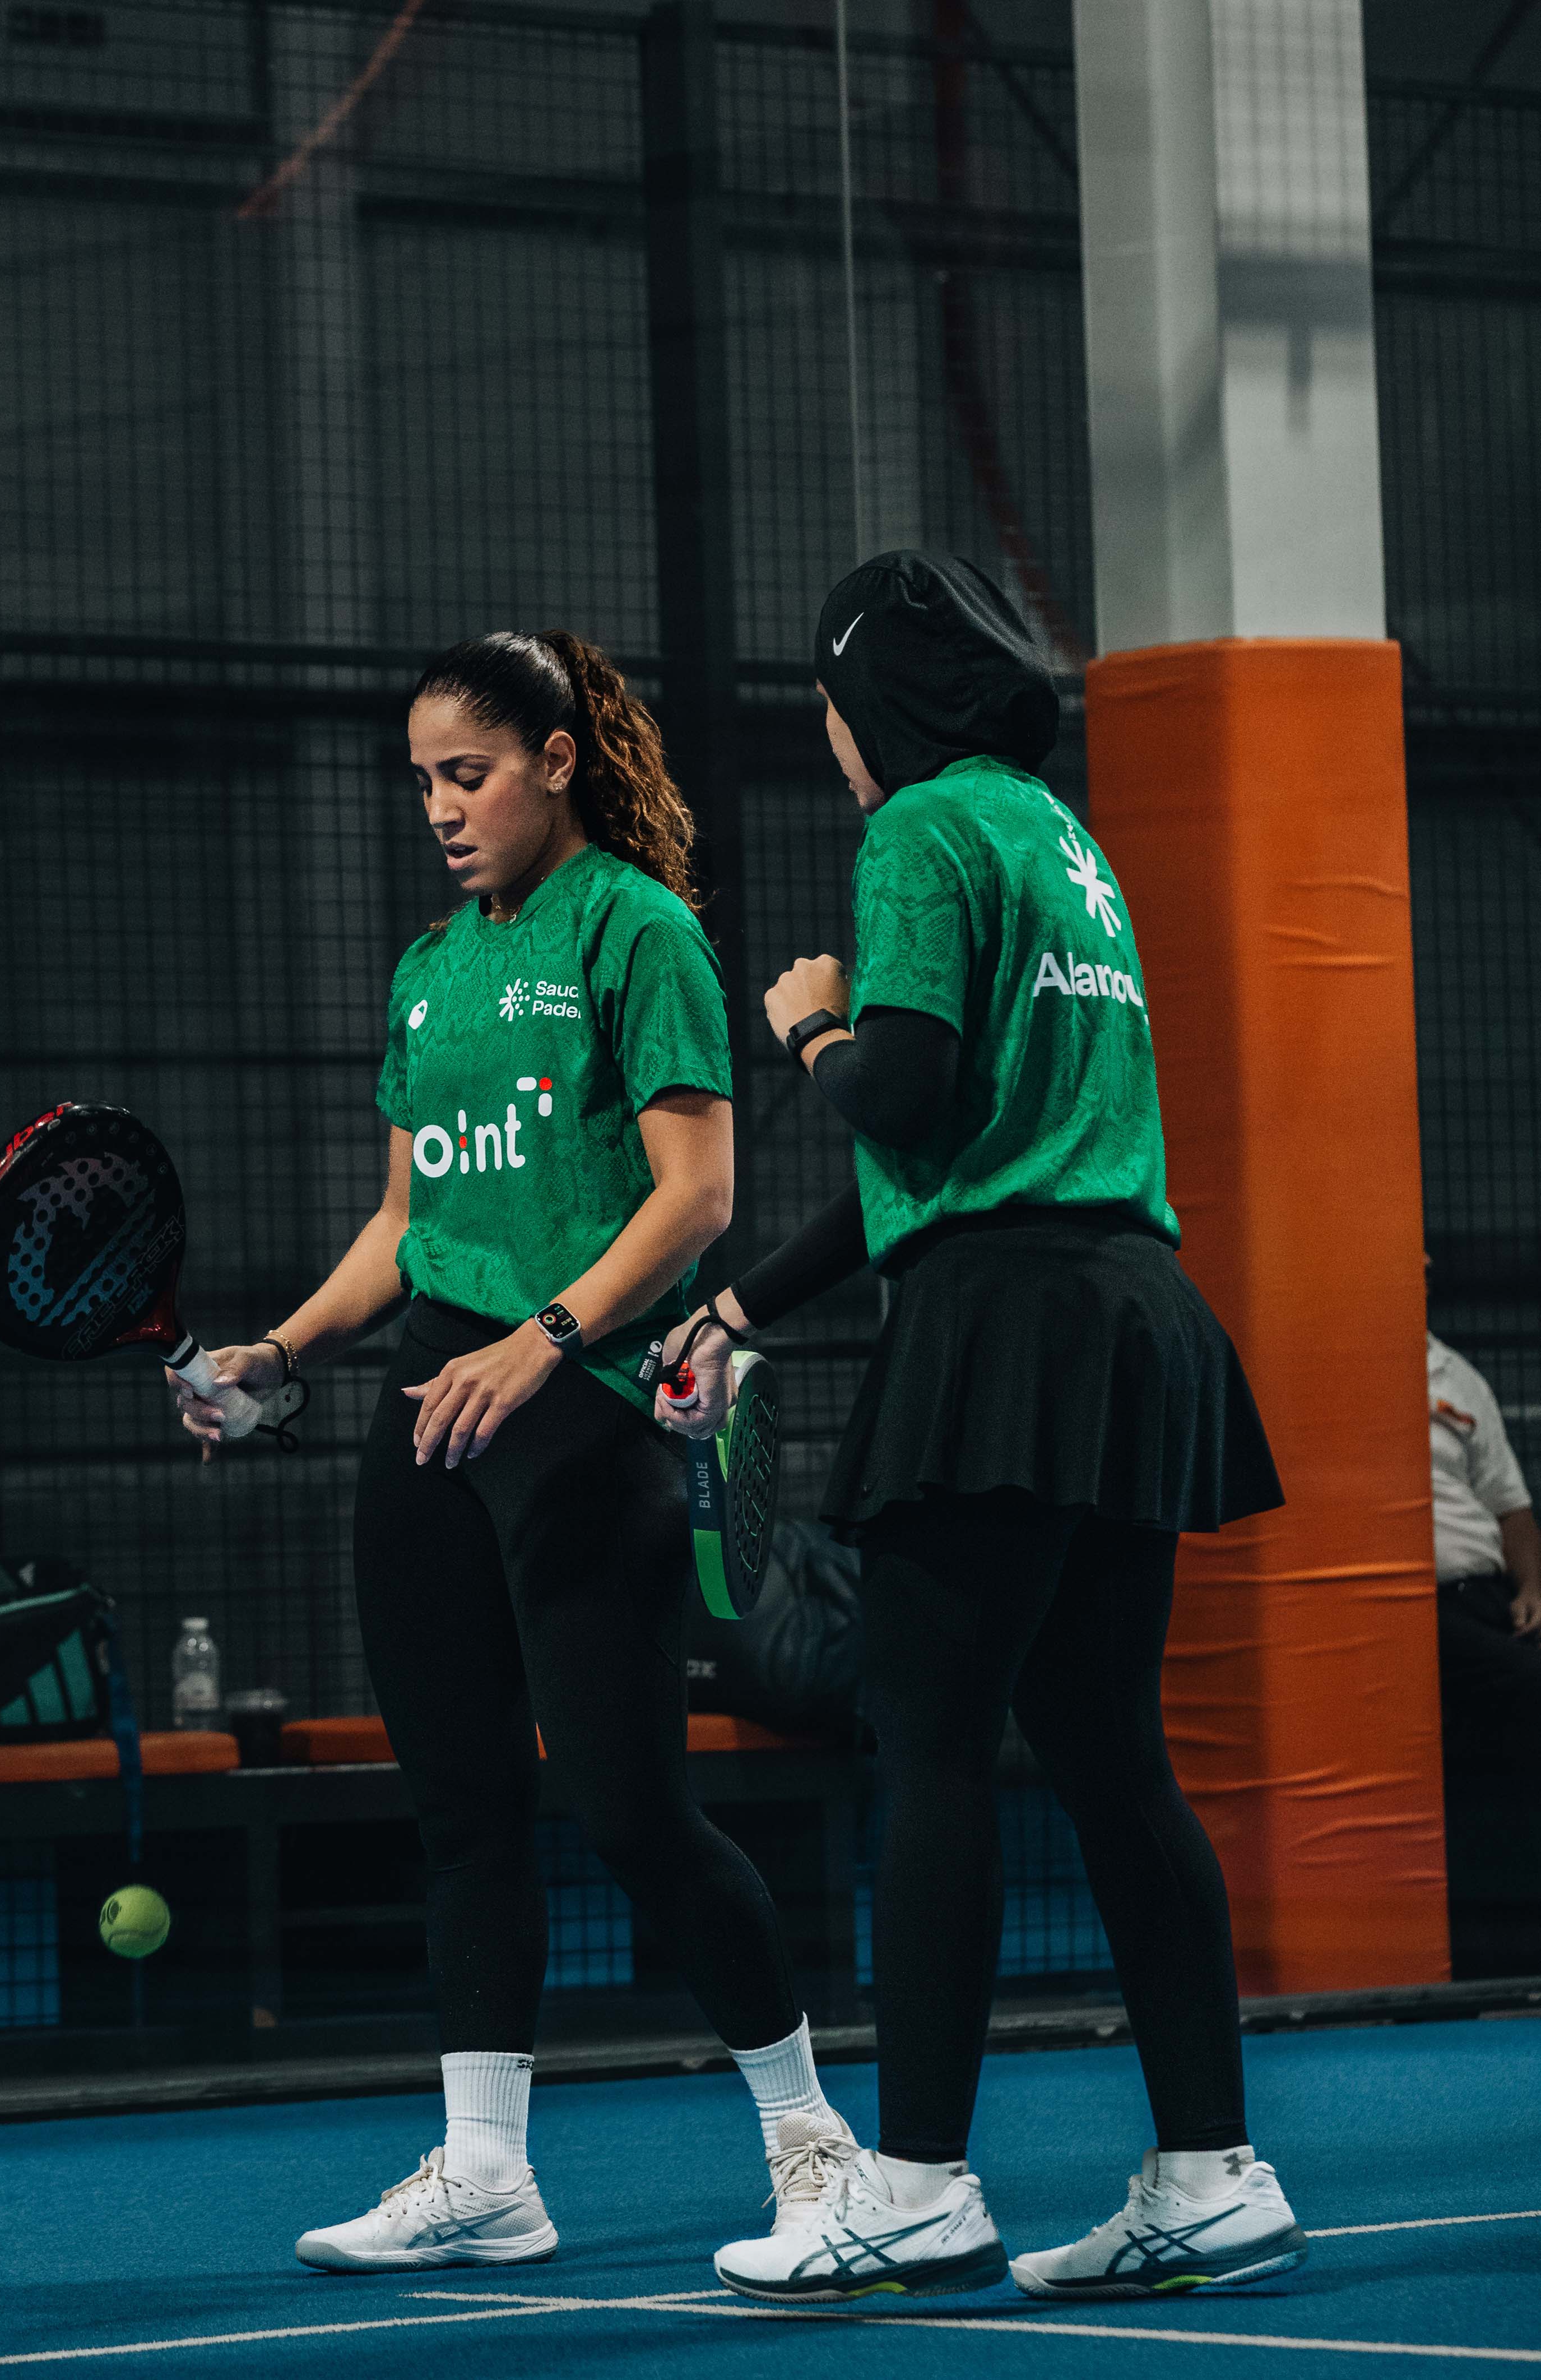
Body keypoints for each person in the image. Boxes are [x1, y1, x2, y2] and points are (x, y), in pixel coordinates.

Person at [657, 552, 1305, 2305]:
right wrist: (740, 1303)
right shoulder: (1054, 836)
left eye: (827, 704)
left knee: (928, 1741)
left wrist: (808, 1025)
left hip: (1001, 1329)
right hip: (1126, 1315)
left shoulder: (919, 830)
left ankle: (918, 2183)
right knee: (1108, 1753)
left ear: (873, 702)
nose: (827, 737)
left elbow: (905, 1089)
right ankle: (1210, 2168)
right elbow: (949, 1154)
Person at [170, 629, 850, 2274]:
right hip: (432, 1409)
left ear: (554, 759)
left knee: (631, 1811)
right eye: (421, 781)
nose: (439, 808)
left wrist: (545, 1336)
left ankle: (812, 2141)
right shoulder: (427, 969)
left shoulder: (640, 929)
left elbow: (696, 1195)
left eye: (466, 774)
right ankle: (487, 2171)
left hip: (583, 1408)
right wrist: (281, 1350)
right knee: (461, 1807)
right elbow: (405, 1224)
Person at [1428, 1308, 1541, 1772]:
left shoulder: (1453, 1373)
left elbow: (1508, 1504)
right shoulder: (1337, 1366)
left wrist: (1532, 1588)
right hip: (1417, 1602)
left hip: (1486, 1593)